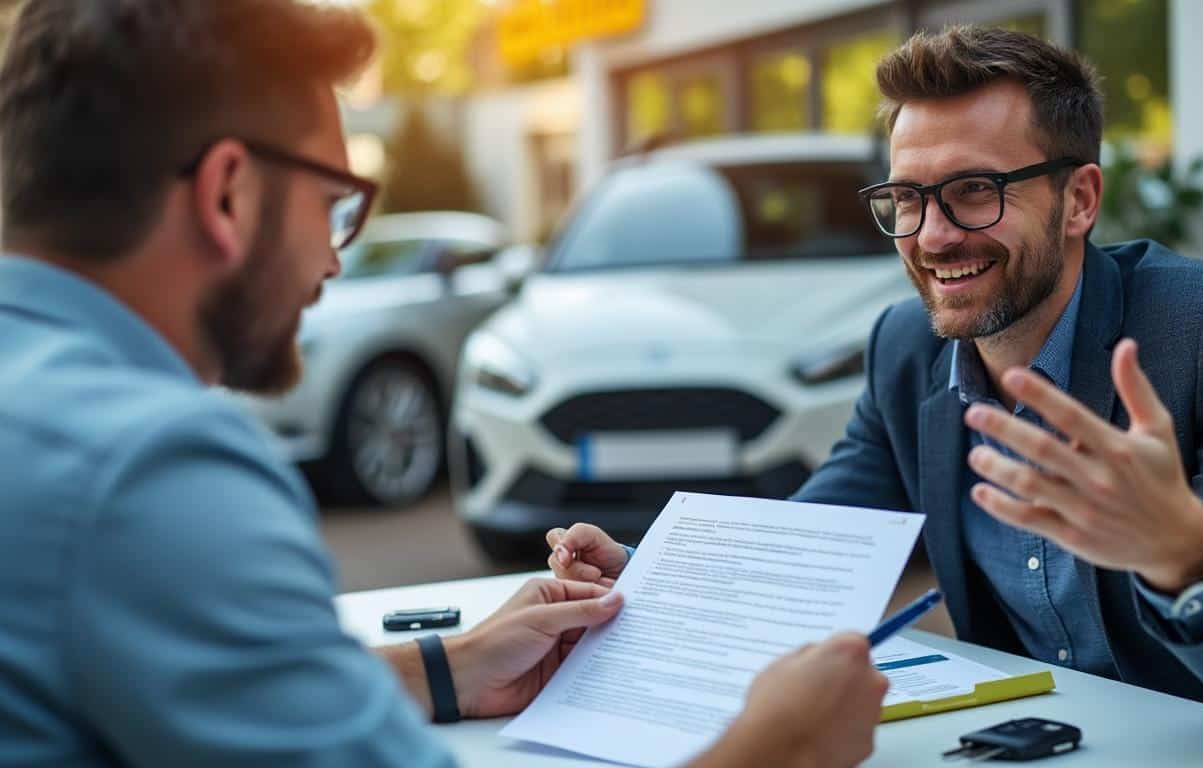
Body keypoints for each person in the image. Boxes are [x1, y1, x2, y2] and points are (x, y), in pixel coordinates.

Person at [0, 2, 890, 766]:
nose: (331, 260)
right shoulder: (151, 469)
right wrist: (780, 747)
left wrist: (451, 666)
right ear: (229, 194)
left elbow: (170, 677)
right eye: (332, 203)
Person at [548, 25, 1203, 734]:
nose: (931, 237)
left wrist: (1185, 552)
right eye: (906, 198)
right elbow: (804, 549)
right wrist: (643, 573)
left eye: (974, 192)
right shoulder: (906, 349)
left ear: (1079, 200)